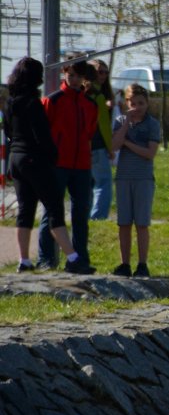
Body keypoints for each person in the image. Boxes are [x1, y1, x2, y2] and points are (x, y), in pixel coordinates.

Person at [3, 57, 94, 274]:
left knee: (25, 210)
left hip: (16, 158)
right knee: (54, 208)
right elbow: (42, 135)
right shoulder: (34, 103)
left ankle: (24, 260)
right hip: (35, 160)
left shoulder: (11, 102)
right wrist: (51, 156)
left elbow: (7, 131)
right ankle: (73, 257)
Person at [37, 56, 97, 270]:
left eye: (78, 76)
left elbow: (89, 132)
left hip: (81, 165)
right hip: (57, 164)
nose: (73, 80)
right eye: (70, 75)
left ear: (83, 78)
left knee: (81, 214)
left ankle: (80, 259)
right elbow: (43, 133)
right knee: (52, 212)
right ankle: (46, 259)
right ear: (64, 74)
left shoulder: (90, 104)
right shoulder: (53, 101)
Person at [110, 84, 160, 277]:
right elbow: (114, 146)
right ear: (126, 103)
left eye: (141, 103)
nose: (137, 107)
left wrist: (128, 143)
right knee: (123, 223)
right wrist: (125, 126)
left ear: (147, 103)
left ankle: (142, 263)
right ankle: (124, 263)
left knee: (141, 223)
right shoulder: (119, 121)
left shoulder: (152, 124)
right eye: (133, 103)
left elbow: (150, 153)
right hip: (123, 177)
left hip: (143, 178)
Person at [85, 59, 115, 220]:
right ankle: (98, 217)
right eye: (100, 72)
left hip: (84, 148)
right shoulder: (98, 96)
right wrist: (110, 148)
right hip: (97, 146)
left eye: (106, 72)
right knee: (103, 184)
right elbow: (103, 125)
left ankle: (86, 216)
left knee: (88, 185)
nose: (103, 75)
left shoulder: (82, 93)